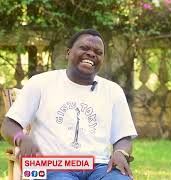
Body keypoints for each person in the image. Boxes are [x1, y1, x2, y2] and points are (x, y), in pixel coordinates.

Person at [1, 29, 137, 180]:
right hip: (53, 166)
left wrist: (120, 153)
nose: (91, 54)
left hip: (100, 167)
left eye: (98, 52)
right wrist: (22, 138)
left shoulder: (113, 90)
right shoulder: (41, 83)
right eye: (84, 48)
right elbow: (9, 124)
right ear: (68, 53)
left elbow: (123, 137)